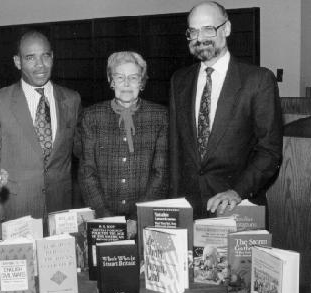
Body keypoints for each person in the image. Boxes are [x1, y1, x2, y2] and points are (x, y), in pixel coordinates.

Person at [169, 1, 282, 219]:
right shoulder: (179, 80)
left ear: (227, 29)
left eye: (208, 28)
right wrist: (175, 206)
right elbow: (175, 151)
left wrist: (236, 191)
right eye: (193, 31)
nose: (199, 38)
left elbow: (269, 151)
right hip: (189, 208)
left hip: (237, 207)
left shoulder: (258, 80)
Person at [0, 30, 82, 239]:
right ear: (18, 62)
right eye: (30, 57)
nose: (40, 65)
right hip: (16, 213)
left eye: (45, 55)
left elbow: (80, 154)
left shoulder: (72, 100)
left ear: (52, 57)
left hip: (60, 214)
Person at [79, 51, 169, 237]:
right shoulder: (92, 116)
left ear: (142, 83)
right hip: (103, 220)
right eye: (120, 77)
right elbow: (87, 173)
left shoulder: (160, 116)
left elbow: (160, 174)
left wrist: (137, 218)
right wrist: (107, 219)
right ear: (111, 81)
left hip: (145, 219)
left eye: (133, 78)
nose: (126, 84)